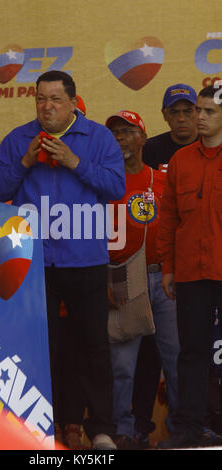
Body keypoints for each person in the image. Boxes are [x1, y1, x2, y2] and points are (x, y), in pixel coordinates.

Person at [0, 70, 126, 450]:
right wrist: (25, 162)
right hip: (34, 263)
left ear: (73, 102)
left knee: (94, 346)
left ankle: (101, 430)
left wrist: (75, 162)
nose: (46, 107)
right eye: (40, 99)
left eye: (55, 100)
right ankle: (39, 429)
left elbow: (116, 188)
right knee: (37, 348)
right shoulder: (18, 139)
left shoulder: (98, 137)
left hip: (85, 259)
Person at [105, 110, 179, 450]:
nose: (121, 137)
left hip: (162, 277)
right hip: (121, 279)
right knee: (122, 364)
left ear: (144, 138)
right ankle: (123, 430)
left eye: (128, 131)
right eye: (115, 132)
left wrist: (175, 271)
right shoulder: (102, 183)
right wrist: (103, 279)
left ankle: (182, 427)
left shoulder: (163, 181)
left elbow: (180, 228)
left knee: (177, 357)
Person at [157, 84, 222, 449]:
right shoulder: (182, 160)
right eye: (198, 110)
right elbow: (168, 219)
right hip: (191, 273)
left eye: (208, 111)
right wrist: (168, 268)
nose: (199, 117)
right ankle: (189, 430)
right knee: (192, 352)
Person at [133, 84, 198, 444]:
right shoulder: (151, 150)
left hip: (198, 267)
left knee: (187, 352)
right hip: (153, 268)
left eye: (189, 111)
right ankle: (139, 428)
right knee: (143, 354)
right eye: (176, 112)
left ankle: (188, 426)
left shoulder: (212, 148)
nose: (183, 118)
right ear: (164, 116)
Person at [143, 83, 198, 170]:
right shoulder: (148, 150)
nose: (181, 119)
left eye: (188, 111)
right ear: (164, 115)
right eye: (174, 112)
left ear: (198, 113)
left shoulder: (212, 146)